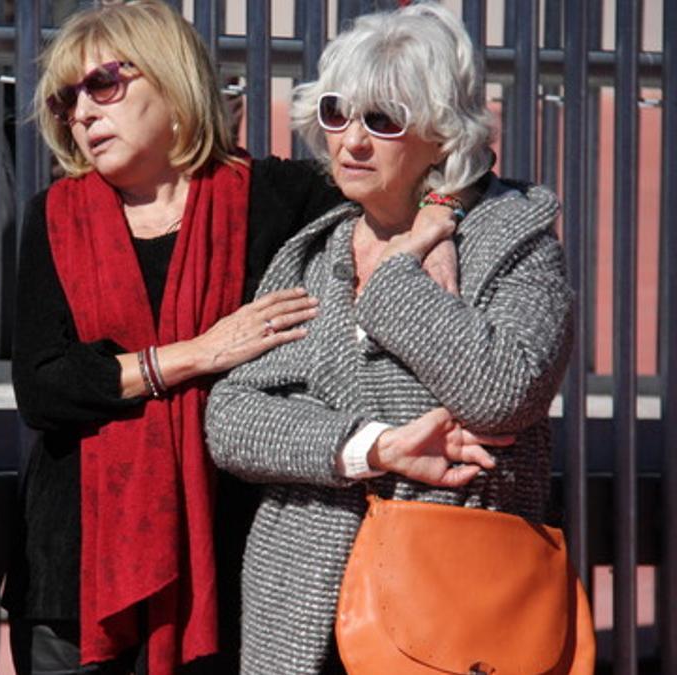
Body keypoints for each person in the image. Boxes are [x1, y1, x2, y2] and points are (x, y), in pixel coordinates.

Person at [4, 2, 462, 673]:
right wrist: (200, 352)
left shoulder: (275, 197)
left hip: (233, 560)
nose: (82, 112)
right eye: (66, 99)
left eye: (101, 84)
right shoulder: (54, 219)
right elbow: (45, 386)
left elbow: (398, 174)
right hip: (76, 576)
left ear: (171, 79)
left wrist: (437, 222)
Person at [204, 3, 575, 672]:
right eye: (336, 113)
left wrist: (393, 281)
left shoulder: (512, 237)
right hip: (302, 610)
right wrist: (375, 445)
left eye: (382, 120)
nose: (351, 141)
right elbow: (231, 417)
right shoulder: (313, 254)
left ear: (441, 132)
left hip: (449, 601)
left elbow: (503, 393)